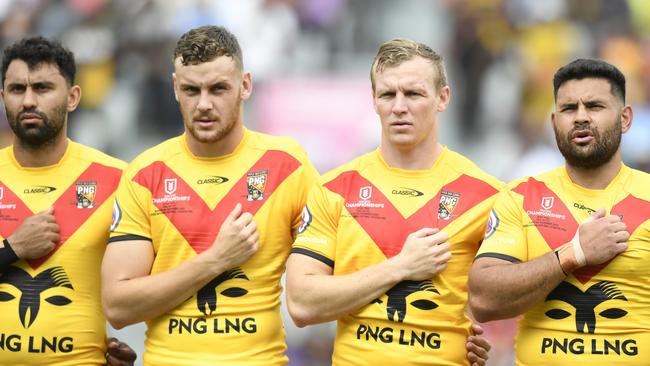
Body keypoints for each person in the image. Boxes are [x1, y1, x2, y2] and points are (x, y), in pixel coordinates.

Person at [101, 25, 319, 365]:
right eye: (191, 89)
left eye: (218, 89)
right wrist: (216, 258)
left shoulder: (288, 166)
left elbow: (313, 297)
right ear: (175, 87)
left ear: (245, 85)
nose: (203, 104)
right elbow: (117, 306)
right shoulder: (145, 173)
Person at [285, 38, 503, 365]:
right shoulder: (334, 188)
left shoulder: (486, 195)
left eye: (413, 94)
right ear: (374, 100)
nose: (399, 107)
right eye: (388, 94)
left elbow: (498, 304)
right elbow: (302, 304)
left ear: (443, 98)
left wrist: (481, 343)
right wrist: (401, 266)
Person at [468, 58, 650, 365]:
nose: (580, 117)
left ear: (625, 119)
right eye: (568, 109)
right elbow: (483, 300)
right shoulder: (522, 197)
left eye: (594, 106)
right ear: (554, 123)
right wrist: (573, 254)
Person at [0, 37, 136, 365]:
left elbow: (148, 286)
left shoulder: (119, 179)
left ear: (73, 97)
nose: (29, 100)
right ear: (3, 97)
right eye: (17, 89)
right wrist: (13, 249)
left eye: (43, 88)